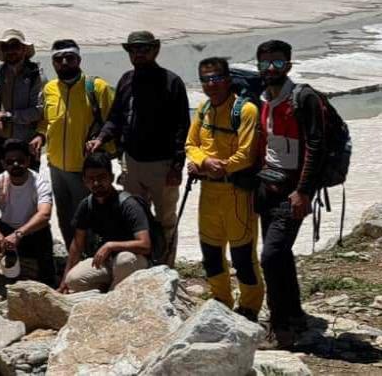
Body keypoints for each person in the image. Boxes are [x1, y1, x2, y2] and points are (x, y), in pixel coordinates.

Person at [86, 31, 189, 266]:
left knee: (165, 221)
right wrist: (101, 138)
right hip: (132, 162)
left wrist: (177, 165)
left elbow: (182, 126)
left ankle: (165, 267)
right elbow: (115, 117)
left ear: (155, 50)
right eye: (134, 50)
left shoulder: (170, 81)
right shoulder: (126, 80)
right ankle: (139, 265)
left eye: (144, 49)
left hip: (162, 164)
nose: (138, 54)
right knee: (135, 216)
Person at [254, 40, 326, 348]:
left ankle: (280, 326)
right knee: (279, 255)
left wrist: (303, 192)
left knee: (270, 257)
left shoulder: (303, 98)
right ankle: (294, 313)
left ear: (289, 66)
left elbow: (316, 147)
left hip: (293, 194)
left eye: (278, 64)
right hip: (268, 190)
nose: (271, 70)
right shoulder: (265, 99)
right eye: (265, 64)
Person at [186, 57, 264, 321]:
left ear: (228, 79)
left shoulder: (246, 111)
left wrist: (222, 167)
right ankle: (221, 301)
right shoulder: (203, 109)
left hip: (236, 194)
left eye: (217, 78)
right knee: (211, 252)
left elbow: (247, 154)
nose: (212, 85)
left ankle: (250, 308)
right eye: (206, 80)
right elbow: (191, 144)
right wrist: (204, 161)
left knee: (243, 255)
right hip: (209, 192)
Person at [30, 39, 115, 248]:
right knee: (66, 217)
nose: (64, 62)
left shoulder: (96, 87)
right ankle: (73, 258)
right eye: (58, 59)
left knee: (89, 218)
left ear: (79, 59)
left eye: (70, 58)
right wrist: (40, 135)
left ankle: (94, 261)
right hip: (56, 167)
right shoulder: (49, 88)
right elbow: (46, 121)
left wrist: (110, 154)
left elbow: (113, 121)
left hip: (86, 170)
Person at [59, 152, 151, 293]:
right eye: (91, 179)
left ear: (112, 177)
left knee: (124, 261)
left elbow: (145, 245)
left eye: (101, 178)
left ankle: (112, 299)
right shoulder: (87, 205)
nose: (96, 183)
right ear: (84, 181)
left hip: (133, 260)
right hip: (106, 262)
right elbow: (77, 245)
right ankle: (110, 288)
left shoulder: (128, 204)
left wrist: (111, 246)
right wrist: (64, 281)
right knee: (73, 281)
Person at [0, 139, 55, 286]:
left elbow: (45, 214)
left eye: (20, 160)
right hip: (6, 230)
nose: (15, 164)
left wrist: (19, 233)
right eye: (10, 161)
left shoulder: (39, 182)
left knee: (43, 231)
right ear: (3, 164)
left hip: (30, 231)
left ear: (28, 161)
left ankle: (48, 280)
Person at [0, 29, 46, 177]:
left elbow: (38, 110)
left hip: (26, 141)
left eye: (14, 46)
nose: (10, 51)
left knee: (27, 187)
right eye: (6, 47)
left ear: (24, 49)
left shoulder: (36, 75)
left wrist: (5, 116)